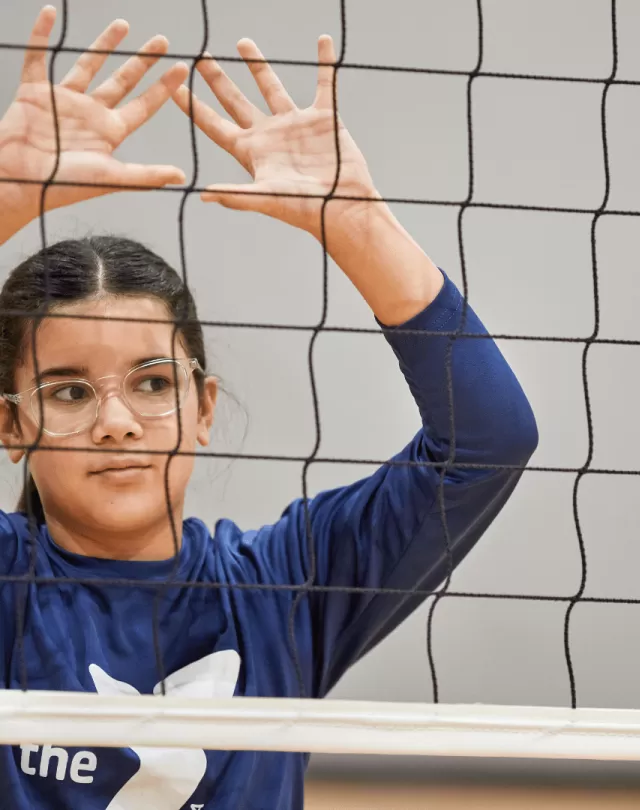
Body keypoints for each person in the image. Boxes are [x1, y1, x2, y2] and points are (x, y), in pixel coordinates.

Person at [0, 6, 538, 809]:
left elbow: (489, 441)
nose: (117, 420)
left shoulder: (285, 589)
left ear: (203, 405)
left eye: (152, 382)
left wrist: (355, 221)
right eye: (70, 391)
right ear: (10, 424)